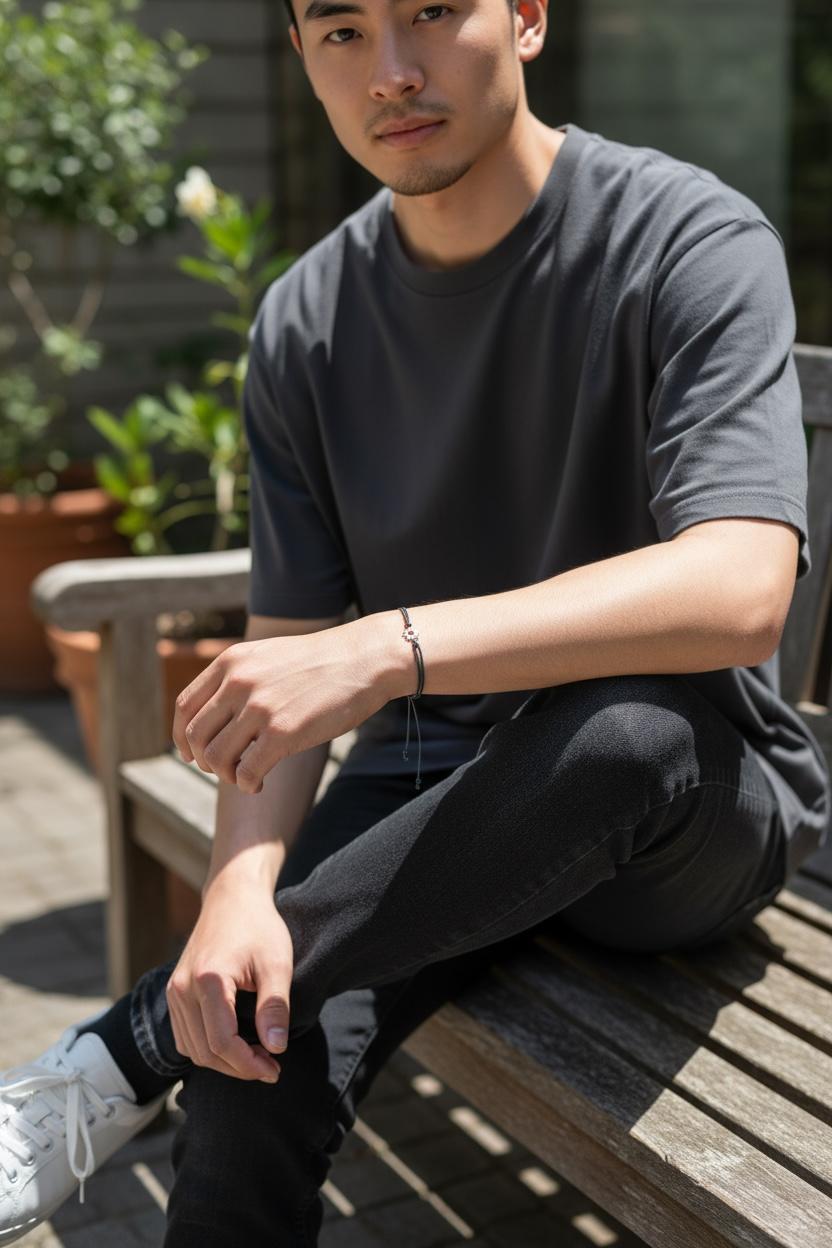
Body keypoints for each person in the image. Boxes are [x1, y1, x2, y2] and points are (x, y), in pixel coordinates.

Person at [1, 0, 830, 1241]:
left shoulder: (687, 237)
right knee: (245, 1053)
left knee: (623, 731)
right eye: (340, 31)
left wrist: (390, 645)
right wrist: (237, 888)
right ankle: (170, 1037)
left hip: (678, 816)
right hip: (431, 801)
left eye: (433, 11)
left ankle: (120, 1055)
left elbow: (741, 587)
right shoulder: (304, 323)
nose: (391, 71)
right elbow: (277, 671)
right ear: (302, 55)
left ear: (530, 18)